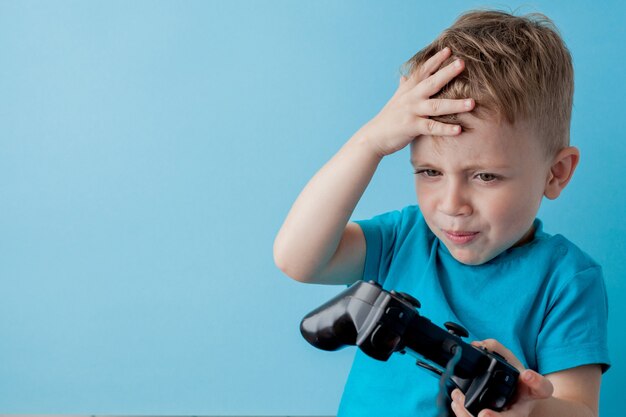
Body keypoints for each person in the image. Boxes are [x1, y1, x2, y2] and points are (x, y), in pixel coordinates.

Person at [273, 9, 610, 417]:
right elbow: (297, 259)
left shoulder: (567, 280)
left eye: (485, 176)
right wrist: (371, 142)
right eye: (430, 172)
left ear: (554, 174)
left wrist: (531, 409)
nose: (452, 205)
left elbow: (581, 409)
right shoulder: (403, 238)